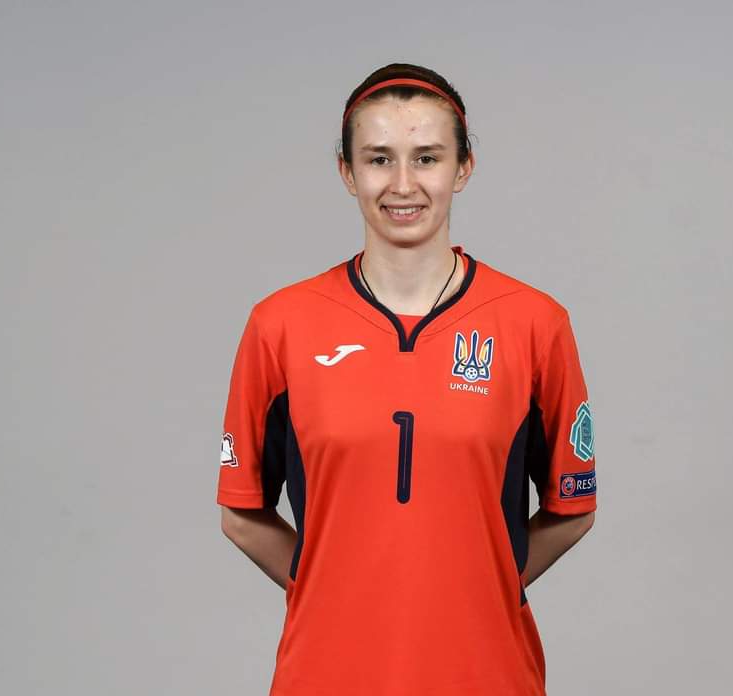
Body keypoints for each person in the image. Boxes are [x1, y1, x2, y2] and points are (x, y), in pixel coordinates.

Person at [217, 63, 597, 696]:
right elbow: (241, 513)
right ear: (347, 172)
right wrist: (333, 591)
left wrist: (481, 588)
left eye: (426, 157)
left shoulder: (535, 323)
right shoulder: (280, 324)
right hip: (325, 677)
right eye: (378, 159)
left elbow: (572, 509)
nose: (402, 184)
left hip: (487, 675)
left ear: (463, 167)